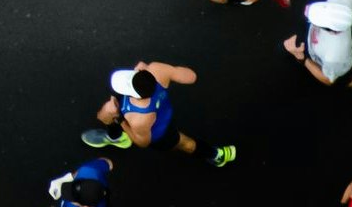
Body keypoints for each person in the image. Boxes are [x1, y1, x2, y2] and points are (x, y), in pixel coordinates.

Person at [80, 62, 236, 166]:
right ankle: (115, 136)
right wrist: (160, 71)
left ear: (136, 95)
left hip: (159, 133)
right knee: (110, 111)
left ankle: (217, 155)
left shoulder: (139, 119)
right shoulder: (156, 70)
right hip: (162, 110)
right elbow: (191, 77)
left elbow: (143, 142)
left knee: (186, 144)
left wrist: (119, 119)